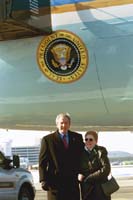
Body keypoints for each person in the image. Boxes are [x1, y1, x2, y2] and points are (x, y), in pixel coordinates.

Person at [39, 113, 84, 200]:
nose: (64, 125)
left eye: (66, 123)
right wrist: (43, 180)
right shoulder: (48, 140)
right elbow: (42, 162)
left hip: (72, 182)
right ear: (57, 124)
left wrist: (81, 172)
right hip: (55, 184)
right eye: (62, 123)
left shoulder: (77, 137)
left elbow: (82, 157)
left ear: (69, 124)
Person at [78, 130, 111, 200]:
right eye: (86, 139)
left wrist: (90, 177)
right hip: (86, 189)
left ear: (96, 141)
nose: (88, 141)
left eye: (91, 139)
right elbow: (77, 168)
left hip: (101, 189)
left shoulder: (101, 151)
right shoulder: (80, 153)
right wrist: (78, 174)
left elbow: (106, 169)